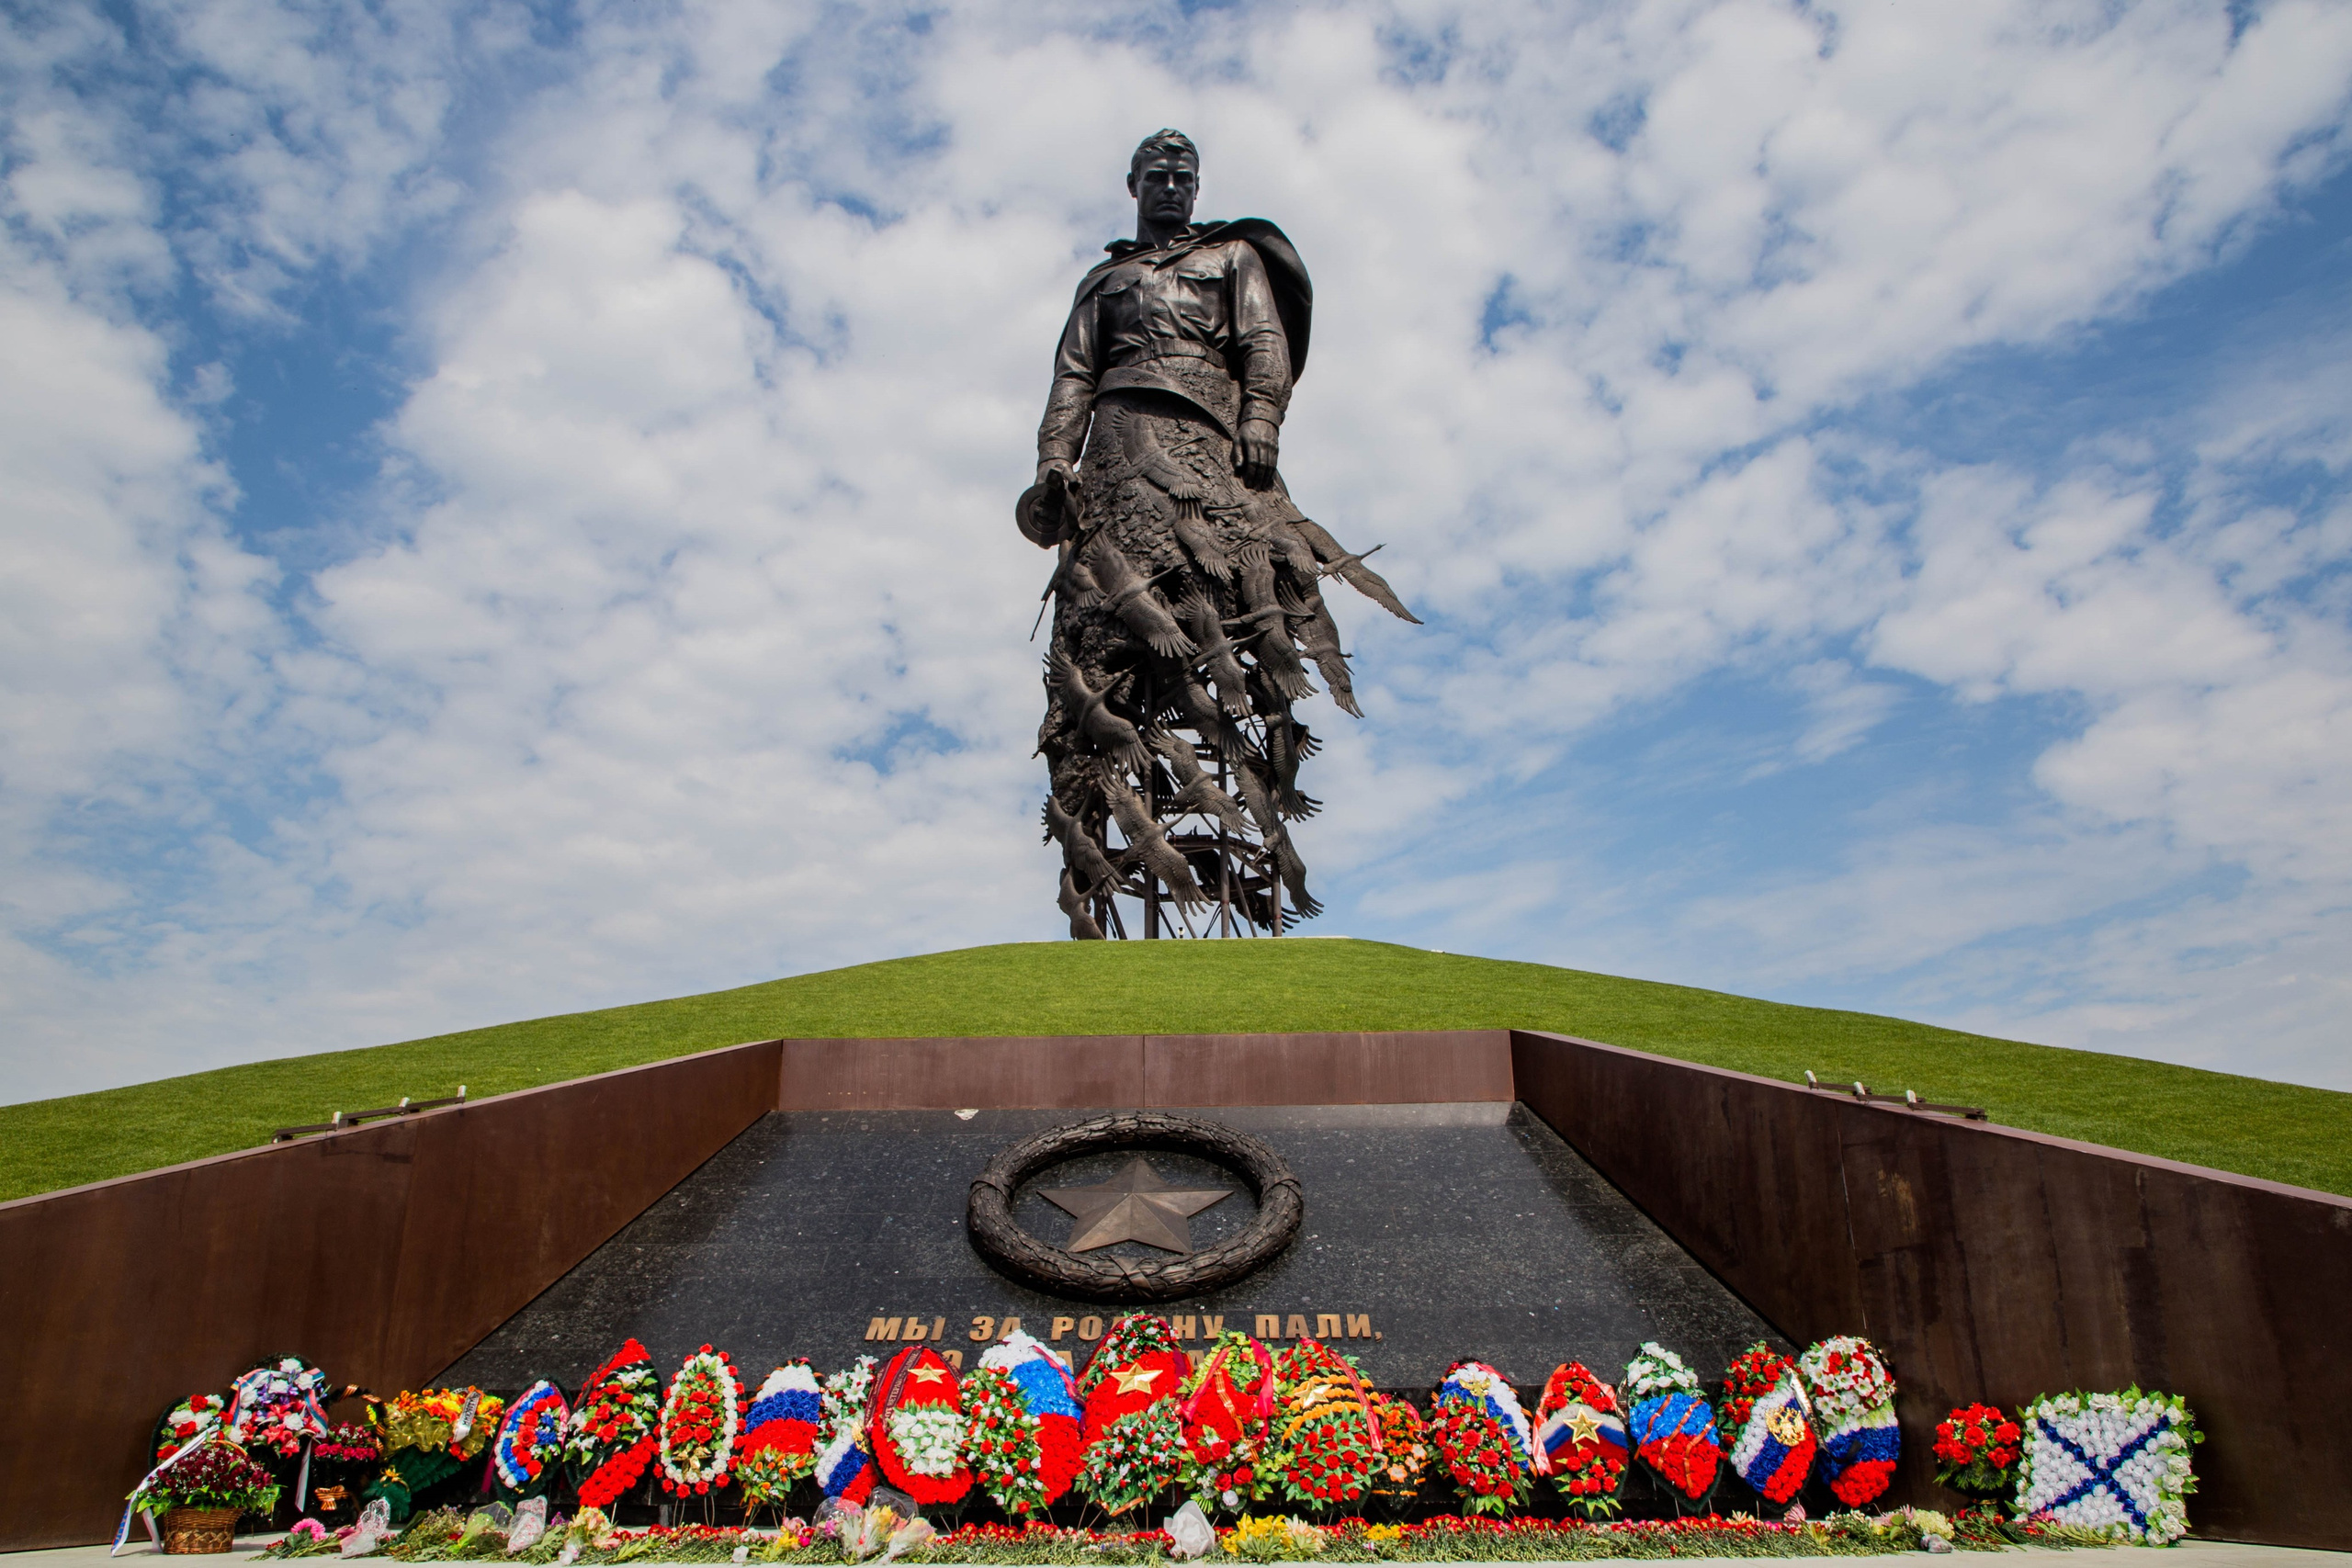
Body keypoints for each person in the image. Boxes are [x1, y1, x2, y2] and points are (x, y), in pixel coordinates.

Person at [1024, 130, 1415, 939]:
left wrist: (1262, 417)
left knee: (1236, 603)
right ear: (1132, 183)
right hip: (1119, 446)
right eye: (1157, 175)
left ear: (1196, 187)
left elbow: (1263, 344)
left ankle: (1252, 847)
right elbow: (1073, 377)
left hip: (1212, 447)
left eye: (1183, 175)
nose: (1171, 186)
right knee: (1101, 640)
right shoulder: (1106, 282)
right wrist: (1053, 462)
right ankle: (1097, 885)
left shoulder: (1234, 259)